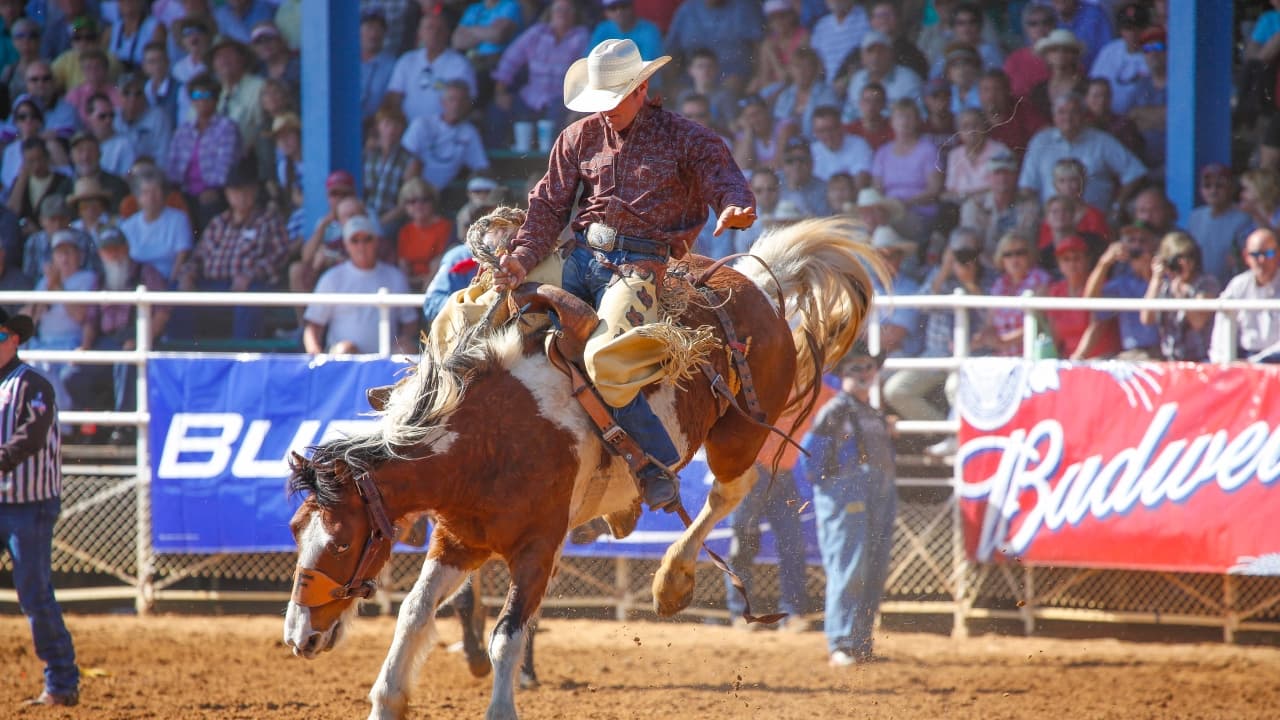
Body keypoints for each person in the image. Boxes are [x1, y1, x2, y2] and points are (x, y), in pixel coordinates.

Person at [492, 39, 756, 511]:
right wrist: (521, 255)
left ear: (642, 89)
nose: (606, 111)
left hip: (639, 265)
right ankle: (436, 401)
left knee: (606, 360)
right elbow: (548, 205)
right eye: (601, 101)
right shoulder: (578, 137)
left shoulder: (686, 138)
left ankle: (655, 462)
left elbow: (724, 177)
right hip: (578, 255)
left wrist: (736, 205)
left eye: (614, 100)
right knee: (486, 312)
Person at [0, 308, 80, 707]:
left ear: (14, 339)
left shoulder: (32, 385)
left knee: (33, 592)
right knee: (34, 592)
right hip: (11, 501)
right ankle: (61, 680)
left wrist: (2, 458)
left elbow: (31, 436)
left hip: (29, 505)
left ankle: (62, 681)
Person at [798, 343, 896, 667]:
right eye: (856, 368)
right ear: (843, 376)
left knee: (871, 570)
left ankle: (860, 642)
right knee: (850, 568)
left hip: (875, 497)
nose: (865, 373)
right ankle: (842, 642)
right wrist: (839, 489)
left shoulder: (872, 414)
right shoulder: (836, 411)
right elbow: (810, 459)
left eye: (868, 367)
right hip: (847, 497)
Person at [883, 228, 988, 422]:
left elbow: (991, 320)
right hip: (936, 354)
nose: (964, 257)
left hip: (975, 355)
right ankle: (945, 432)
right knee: (896, 390)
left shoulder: (988, 275)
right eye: (958, 252)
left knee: (955, 387)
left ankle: (955, 436)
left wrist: (971, 283)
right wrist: (944, 271)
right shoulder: (939, 275)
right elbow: (920, 306)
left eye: (969, 252)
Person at [180, 162, 288, 338]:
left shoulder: (268, 221)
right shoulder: (218, 223)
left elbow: (280, 255)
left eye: (246, 190)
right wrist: (188, 274)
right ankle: (180, 354)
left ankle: (243, 354)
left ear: (255, 191)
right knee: (178, 290)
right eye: (236, 191)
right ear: (228, 194)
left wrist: (250, 274)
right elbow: (198, 256)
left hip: (248, 285)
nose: (242, 196)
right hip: (211, 286)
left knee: (251, 296)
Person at [303, 216, 418, 355]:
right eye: (355, 240)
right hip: (345, 362)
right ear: (346, 245)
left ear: (376, 241)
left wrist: (402, 342)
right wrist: (315, 356)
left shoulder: (395, 276)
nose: (361, 246)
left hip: (387, 362)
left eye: (367, 239)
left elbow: (410, 321)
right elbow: (313, 326)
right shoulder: (331, 279)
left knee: (407, 350)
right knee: (345, 350)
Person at [1019, 93, 1147, 211]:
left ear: (1083, 115)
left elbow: (1135, 171)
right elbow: (1027, 186)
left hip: (1095, 220)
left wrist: (1117, 205)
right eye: (1062, 112)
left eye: (1073, 112)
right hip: (1052, 222)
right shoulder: (1041, 141)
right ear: (1054, 116)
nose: (1067, 118)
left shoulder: (1101, 141)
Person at [488, 0, 589, 147]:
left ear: (575, 15)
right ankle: (499, 164)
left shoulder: (581, 36)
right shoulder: (536, 33)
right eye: (559, 9)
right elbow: (509, 61)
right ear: (551, 13)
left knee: (559, 116)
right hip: (530, 97)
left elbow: (584, 72)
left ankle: (554, 164)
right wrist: (500, 93)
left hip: (561, 99)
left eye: (568, 10)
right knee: (497, 110)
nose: (563, 14)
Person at [165, 73, 241, 230]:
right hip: (185, 191)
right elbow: (173, 164)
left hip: (216, 191)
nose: (202, 100)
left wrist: (213, 189)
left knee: (209, 206)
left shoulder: (226, 127)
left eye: (208, 95)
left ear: (216, 99)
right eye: (197, 95)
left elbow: (226, 164)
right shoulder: (183, 131)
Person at [1080, 224, 1163, 359]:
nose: (1137, 246)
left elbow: (1148, 317)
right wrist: (1104, 263)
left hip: (1159, 353)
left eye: (1142, 241)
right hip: (1130, 354)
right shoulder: (1123, 282)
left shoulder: (1164, 278)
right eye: (1132, 241)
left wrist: (1150, 273)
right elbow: (1089, 301)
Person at [1140, 231, 1219, 362]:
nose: (1185, 264)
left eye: (1189, 257)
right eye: (1178, 259)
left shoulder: (1206, 284)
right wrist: (1155, 278)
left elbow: (1198, 323)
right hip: (1170, 360)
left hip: (1200, 360)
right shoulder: (1164, 286)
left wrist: (1181, 296)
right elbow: (1146, 318)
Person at [386, 13, 478, 123]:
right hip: (408, 131)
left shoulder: (460, 64)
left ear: (447, 33)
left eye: (440, 29)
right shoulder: (407, 60)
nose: (435, 32)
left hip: (445, 132)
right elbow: (394, 97)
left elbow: (471, 101)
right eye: (429, 28)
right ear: (420, 33)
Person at [401, 80, 489, 193]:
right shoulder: (422, 124)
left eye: (462, 100)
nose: (457, 105)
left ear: (468, 104)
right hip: (408, 189)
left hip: (439, 195)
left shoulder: (469, 132)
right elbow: (402, 156)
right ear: (442, 102)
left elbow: (481, 166)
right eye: (452, 99)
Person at [1210, 229, 1280, 363]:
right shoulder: (1238, 286)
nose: (1261, 260)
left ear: (1278, 254)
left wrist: (1257, 362)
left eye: (1268, 254)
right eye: (1255, 254)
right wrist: (1221, 362)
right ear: (1246, 257)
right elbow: (1222, 331)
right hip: (1244, 359)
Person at [978, 231, 1050, 356]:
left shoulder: (1041, 279)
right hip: (1003, 357)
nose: (1014, 259)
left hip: (1031, 355)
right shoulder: (999, 284)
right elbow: (989, 324)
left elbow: (1040, 323)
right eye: (1008, 254)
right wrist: (980, 339)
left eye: (1020, 253)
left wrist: (1005, 341)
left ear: (1030, 255)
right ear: (1001, 259)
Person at [119, 166, 193, 286]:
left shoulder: (178, 219)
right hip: (137, 285)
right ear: (138, 197)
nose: (151, 197)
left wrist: (169, 287)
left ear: (164, 193)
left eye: (156, 191)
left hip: (169, 284)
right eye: (146, 192)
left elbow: (182, 255)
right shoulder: (128, 226)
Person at [1049, 234, 1120, 360]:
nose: (1072, 264)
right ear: (1059, 264)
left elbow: (1098, 326)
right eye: (1066, 259)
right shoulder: (1056, 291)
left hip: (1102, 359)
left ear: (1088, 260)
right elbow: (1055, 334)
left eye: (1077, 258)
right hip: (1070, 360)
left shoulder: (1101, 285)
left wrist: (1078, 358)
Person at [1189, 164, 1254, 288]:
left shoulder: (1244, 218)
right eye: (1207, 186)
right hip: (1201, 291)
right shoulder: (1195, 217)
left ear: (1231, 188)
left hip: (1232, 290)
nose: (1213, 191)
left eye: (1219, 186)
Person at [842, 31, 922, 123]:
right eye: (870, 51)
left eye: (881, 51)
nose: (875, 56)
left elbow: (921, 116)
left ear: (891, 53)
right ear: (862, 56)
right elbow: (847, 116)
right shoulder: (857, 79)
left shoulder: (909, 79)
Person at [363, 103, 422, 227]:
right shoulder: (368, 154)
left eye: (396, 125)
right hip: (366, 215)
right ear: (378, 126)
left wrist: (381, 222)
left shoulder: (410, 160)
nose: (391, 129)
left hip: (392, 220)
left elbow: (407, 201)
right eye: (387, 124)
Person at [1089, 2, 1150, 117]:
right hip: (1108, 119)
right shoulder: (1110, 51)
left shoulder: (1154, 53)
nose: (1133, 33)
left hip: (1141, 120)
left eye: (1138, 28)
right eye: (1128, 28)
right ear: (1121, 30)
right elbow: (1094, 85)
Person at [395, 177, 453, 289]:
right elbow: (403, 266)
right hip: (410, 284)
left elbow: (439, 263)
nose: (418, 205)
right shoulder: (405, 231)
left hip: (437, 283)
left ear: (433, 201)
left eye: (424, 199)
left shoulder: (446, 227)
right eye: (412, 201)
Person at [809, 105, 872, 185]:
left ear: (841, 127)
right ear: (815, 133)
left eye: (831, 129)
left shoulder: (859, 145)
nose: (827, 135)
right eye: (821, 131)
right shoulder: (811, 151)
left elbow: (861, 181)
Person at [589, 0, 664, 66]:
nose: (619, 11)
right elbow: (590, 61)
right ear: (605, 12)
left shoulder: (650, 30)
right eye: (613, 8)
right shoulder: (602, 29)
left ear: (632, 7)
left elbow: (649, 65)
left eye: (624, 6)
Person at [1003, 4, 1053, 99]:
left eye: (1046, 22)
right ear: (1026, 29)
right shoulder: (1014, 60)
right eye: (1033, 24)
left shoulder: (1067, 56)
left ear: (1054, 25)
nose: (1040, 28)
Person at [359, 11, 396, 120]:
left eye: (378, 29)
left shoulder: (392, 64)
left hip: (376, 124)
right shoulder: (346, 61)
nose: (373, 34)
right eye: (369, 28)